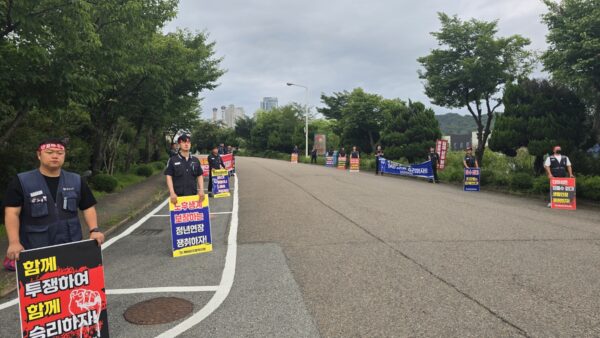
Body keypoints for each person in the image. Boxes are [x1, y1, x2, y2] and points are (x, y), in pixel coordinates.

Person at [4, 138, 104, 263]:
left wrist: (94, 230)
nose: (55, 156)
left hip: (70, 245)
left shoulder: (76, 180)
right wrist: (14, 242)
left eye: (60, 153)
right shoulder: (22, 181)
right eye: (50, 152)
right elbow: (11, 213)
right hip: (36, 249)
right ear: (39, 155)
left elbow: (88, 207)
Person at [165, 134, 204, 205]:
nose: (186, 144)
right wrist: (172, 193)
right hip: (178, 197)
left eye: (188, 142)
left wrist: (201, 190)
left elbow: (199, 175)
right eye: (183, 142)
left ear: (190, 144)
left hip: (193, 196)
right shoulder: (173, 160)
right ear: (179, 145)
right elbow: (169, 176)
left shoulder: (195, 160)